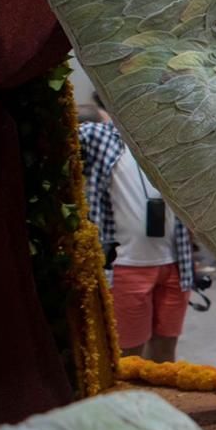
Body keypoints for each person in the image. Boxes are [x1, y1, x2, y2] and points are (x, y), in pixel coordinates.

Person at [78, 116, 195, 361]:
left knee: (165, 354)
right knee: (128, 358)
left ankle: (160, 399)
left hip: (176, 264)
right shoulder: (104, 138)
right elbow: (68, 133)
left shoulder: (174, 146)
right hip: (126, 266)